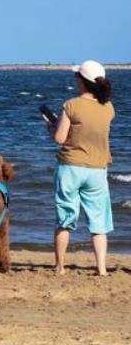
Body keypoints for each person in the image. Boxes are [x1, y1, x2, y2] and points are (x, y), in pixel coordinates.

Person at [44, 60, 114, 276]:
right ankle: (101, 269)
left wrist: (50, 125)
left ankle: (60, 266)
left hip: (71, 167)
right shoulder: (108, 108)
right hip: (98, 169)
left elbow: (59, 138)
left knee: (65, 217)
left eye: (77, 77)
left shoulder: (71, 105)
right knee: (99, 221)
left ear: (82, 81)